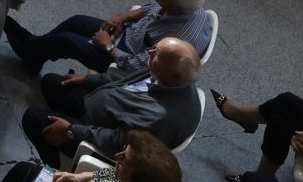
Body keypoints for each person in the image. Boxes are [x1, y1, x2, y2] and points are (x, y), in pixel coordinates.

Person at [21, 37, 202, 160]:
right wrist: (88, 79)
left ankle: (57, 164)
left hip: (98, 139)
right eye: (155, 48)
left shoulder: (158, 117)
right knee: (51, 82)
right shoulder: (168, 73)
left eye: (157, 54)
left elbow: (118, 143)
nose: (150, 52)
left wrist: (71, 130)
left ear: (174, 77)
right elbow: (123, 81)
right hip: (104, 108)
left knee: (32, 118)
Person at [6, 0, 213, 77]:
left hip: (122, 62)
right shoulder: (189, 6)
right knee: (77, 21)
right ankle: (35, 50)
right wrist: (126, 16)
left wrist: (108, 46)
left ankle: (30, 51)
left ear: (174, 7)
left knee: (67, 41)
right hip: (130, 38)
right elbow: (154, 7)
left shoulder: (172, 45)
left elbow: (137, 68)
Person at [1, 131, 183, 182]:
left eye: (123, 159)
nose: (117, 156)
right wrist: (79, 177)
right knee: (24, 169)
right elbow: (112, 175)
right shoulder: (122, 176)